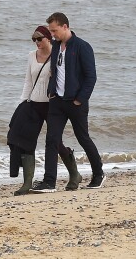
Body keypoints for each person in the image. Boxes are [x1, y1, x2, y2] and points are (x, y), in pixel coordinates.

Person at [30, 13, 106, 193]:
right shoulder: (56, 46)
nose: (52, 34)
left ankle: (98, 174)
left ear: (65, 27)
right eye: (50, 31)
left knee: (83, 138)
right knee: (52, 140)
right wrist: (51, 91)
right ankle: (49, 182)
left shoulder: (82, 47)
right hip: (57, 101)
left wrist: (80, 99)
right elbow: (53, 72)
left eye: (54, 31)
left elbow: (91, 77)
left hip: (76, 102)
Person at [8, 25, 81, 196]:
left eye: (39, 39)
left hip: (52, 105)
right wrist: (22, 103)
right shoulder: (31, 56)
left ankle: (74, 174)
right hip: (33, 104)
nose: (36, 42)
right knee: (25, 141)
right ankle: (27, 184)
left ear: (49, 38)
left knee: (55, 142)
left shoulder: (57, 55)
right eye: (34, 39)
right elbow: (28, 81)